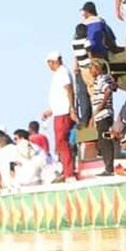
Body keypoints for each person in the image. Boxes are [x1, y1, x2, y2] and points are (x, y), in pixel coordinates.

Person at [42, 52, 77, 181]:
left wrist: (71, 108)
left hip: (64, 113)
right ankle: (66, 170)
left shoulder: (62, 73)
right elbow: (60, 95)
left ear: (53, 62)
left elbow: (69, 90)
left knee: (62, 143)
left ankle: (69, 173)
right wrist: (51, 110)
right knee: (62, 143)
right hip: (59, 111)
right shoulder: (59, 74)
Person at [90, 58, 117, 175]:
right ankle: (107, 166)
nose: (90, 71)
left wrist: (101, 105)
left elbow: (109, 90)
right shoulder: (97, 81)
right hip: (100, 115)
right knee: (102, 141)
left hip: (104, 113)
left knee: (105, 141)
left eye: (91, 69)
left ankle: (109, 168)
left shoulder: (104, 78)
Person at [72, 23, 93, 126]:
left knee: (82, 96)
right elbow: (89, 54)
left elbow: (76, 55)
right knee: (92, 92)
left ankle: (84, 121)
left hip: (81, 68)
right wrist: (93, 63)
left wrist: (75, 66)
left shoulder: (74, 42)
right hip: (88, 68)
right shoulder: (86, 41)